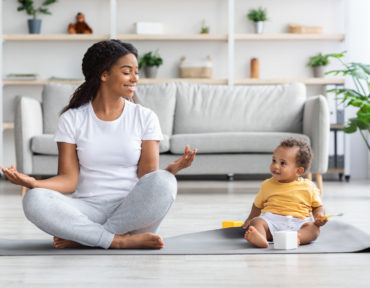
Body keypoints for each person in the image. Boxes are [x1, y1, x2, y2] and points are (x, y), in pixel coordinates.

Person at [1, 40, 197, 250]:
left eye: (136, 72)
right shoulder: (72, 119)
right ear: (104, 75)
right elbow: (68, 180)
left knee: (165, 182)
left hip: (132, 211)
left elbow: (147, 178)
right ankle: (117, 240)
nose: (135, 79)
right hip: (87, 208)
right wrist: (33, 183)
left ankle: (86, 236)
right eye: (127, 71)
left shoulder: (145, 117)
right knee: (34, 199)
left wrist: (170, 171)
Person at [242, 137, 327, 248]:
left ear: (298, 171)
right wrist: (249, 219)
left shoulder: (308, 186)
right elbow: (257, 206)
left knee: (313, 229)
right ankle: (260, 238)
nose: (275, 166)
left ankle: (297, 237)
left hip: (299, 222)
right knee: (257, 222)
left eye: (282, 163)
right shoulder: (267, 185)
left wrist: (319, 216)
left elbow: (317, 207)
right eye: (274, 161)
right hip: (272, 221)